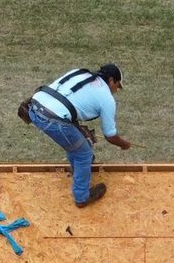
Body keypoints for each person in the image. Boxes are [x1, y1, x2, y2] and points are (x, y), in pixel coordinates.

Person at [22, 63, 131, 207]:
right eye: (117, 86)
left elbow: (64, 98)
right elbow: (110, 136)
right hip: (53, 120)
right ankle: (82, 197)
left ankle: (78, 171)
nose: (116, 90)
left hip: (33, 107)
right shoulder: (106, 98)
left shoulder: (80, 73)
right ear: (111, 80)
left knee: (78, 144)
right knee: (83, 153)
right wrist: (124, 144)